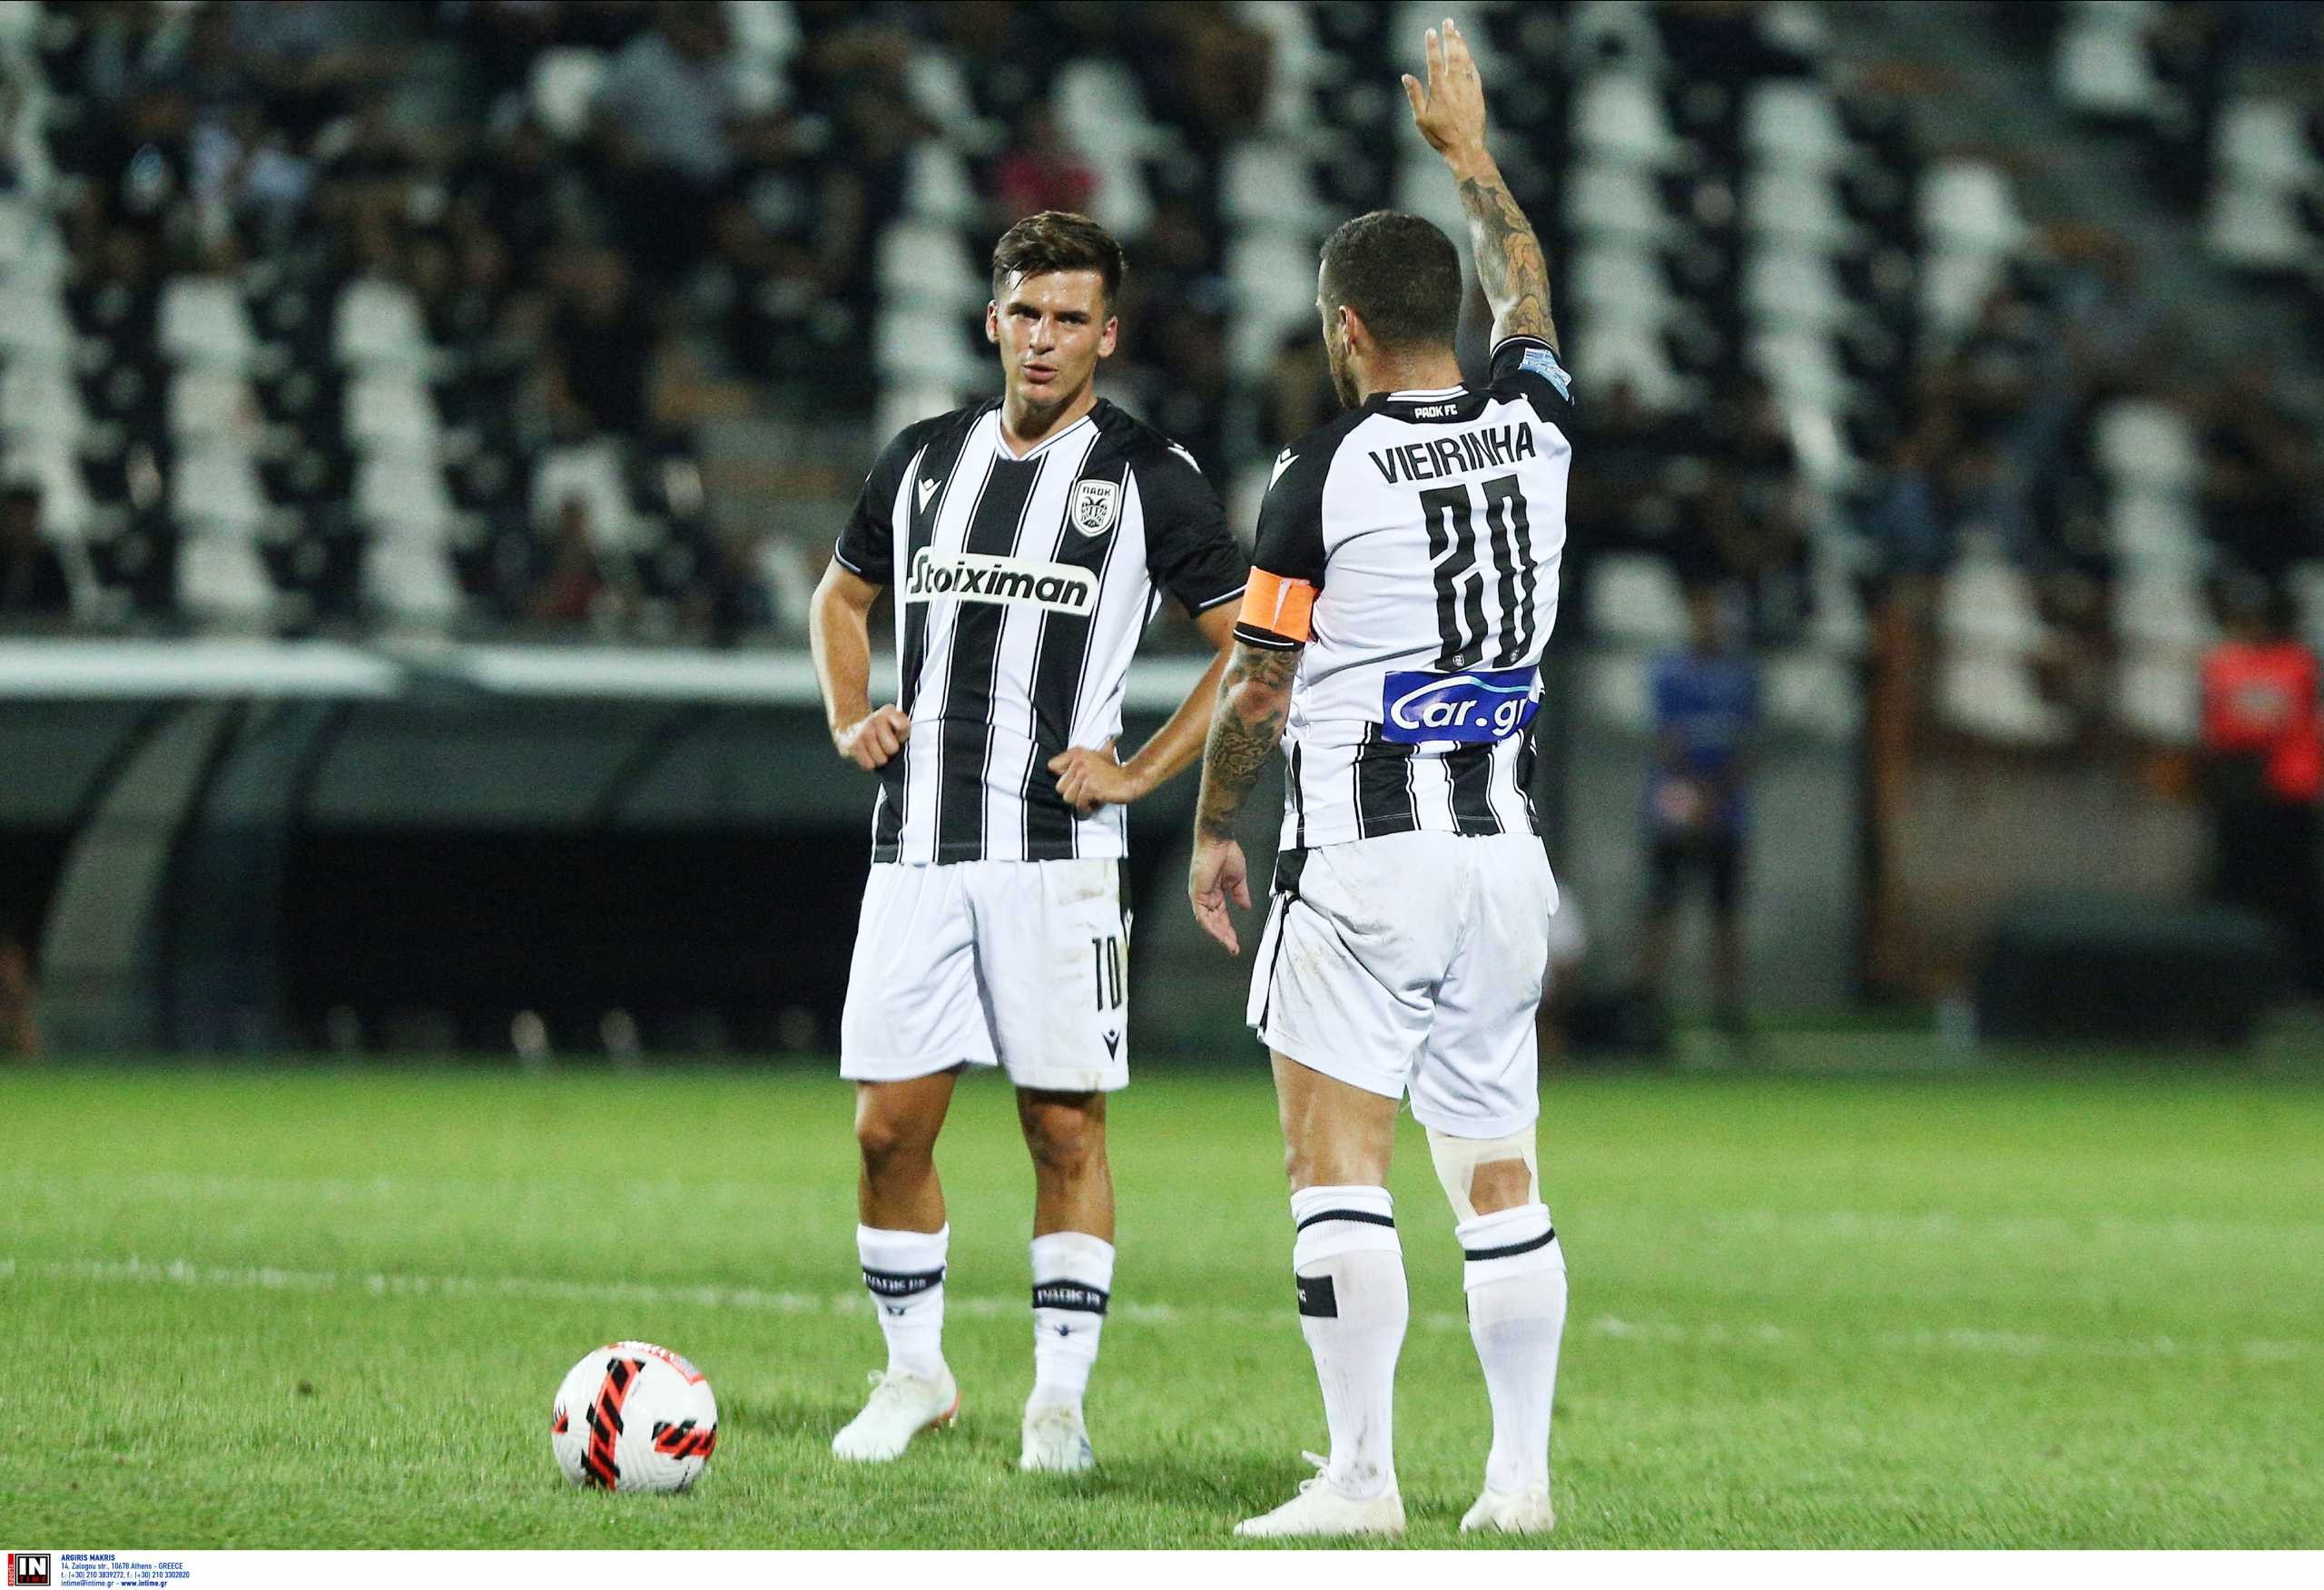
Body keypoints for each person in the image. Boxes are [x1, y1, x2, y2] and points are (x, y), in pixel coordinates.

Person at [1187, 19, 1572, 1539]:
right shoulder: (1535, 425)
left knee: (1333, 1164)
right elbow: (1529, 290)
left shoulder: (1323, 472)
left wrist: (1215, 825)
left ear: (1346, 329)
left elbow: (1259, 682)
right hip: (1506, 865)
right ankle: (1520, 1481)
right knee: (1499, 1173)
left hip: (1365, 860)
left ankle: (1361, 1477)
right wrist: (1472, 158)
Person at [809, 211, 1247, 1473]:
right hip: (916, 846)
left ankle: (1058, 1402)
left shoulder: (1149, 476)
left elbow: (1253, 648)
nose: (1045, 338)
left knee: (1063, 1131)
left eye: (1071, 318)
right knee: (887, 1131)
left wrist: (1140, 772)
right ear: (991, 320)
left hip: (1058, 857)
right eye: (1027, 313)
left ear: (1107, 335)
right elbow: (841, 596)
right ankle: (915, 1374)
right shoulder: (921, 462)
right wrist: (849, 713)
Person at [1635, 584, 1761, 1040]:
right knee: (1662, 909)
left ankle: (1728, 1011)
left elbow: (1748, 742)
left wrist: (1716, 793)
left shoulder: (1742, 676)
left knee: (1726, 915)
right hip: (1675, 807)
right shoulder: (1670, 672)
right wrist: (1694, 793)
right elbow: (1665, 739)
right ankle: (1645, 1008)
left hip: (1726, 811)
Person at [2199, 579, 2324, 992]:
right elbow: (2229, 726)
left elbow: (2277, 719)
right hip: (2239, 790)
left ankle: (2302, 980)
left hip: (2289, 792)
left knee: (2295, 889)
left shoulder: (2298, 662)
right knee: (2236, 884)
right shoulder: (2222, 662)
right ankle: (2235, 979)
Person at [0, 483, 73, 622]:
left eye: (26, 516)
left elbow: (61, 608)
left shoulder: (48, 563)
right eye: (16, 515)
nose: (20, 523)